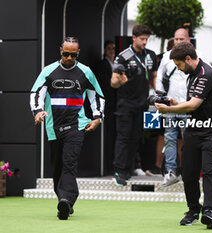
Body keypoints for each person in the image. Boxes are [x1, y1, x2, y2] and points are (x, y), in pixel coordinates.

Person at [30, 37, 105, 220]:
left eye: (73, 54)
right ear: (60, 51)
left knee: (69, 163)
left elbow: (97, 96)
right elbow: (36, 93)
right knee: (57, 168)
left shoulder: (85, 72)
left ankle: (66, 199)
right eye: (66, 54)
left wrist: (97, 118)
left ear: (78, 53)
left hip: (77, 125)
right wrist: (38, 112)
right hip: (53, 127)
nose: (69, 58)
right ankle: (64, 201)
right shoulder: (48, 71)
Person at [155, 42, 212, 229]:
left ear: (188, 59)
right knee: (189, 172)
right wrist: (176, 102)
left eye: (179, 64)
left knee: (210, 172)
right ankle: (193, 209)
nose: (178, 69)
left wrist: (169, 109)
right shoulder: (192, 74)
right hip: (194, 129)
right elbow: (194, 103)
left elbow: (193, 105)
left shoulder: (205, 74)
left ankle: (209, 212)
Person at [110, 25, 157, 186]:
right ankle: (119, 171)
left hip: (142, 104)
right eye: (142, 39)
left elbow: (154, 77)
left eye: (146, 39)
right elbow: (113, 82)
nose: (144, 42)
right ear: (134, 38)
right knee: (123, 137)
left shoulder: (150, 55)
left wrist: (159, 94)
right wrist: (120, 81)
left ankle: (128, 170)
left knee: (135, 138)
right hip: (125, 104)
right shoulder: (123, 56)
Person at [156, 28, 191, 187]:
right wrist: (160, 99)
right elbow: (159, 78)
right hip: (170, 106)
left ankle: (190, 171)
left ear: (188, 40)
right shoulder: (166, 56)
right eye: (176, 39)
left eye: (181, 39)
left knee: (189, 140)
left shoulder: (198, 55)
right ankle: (171, 172)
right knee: (169, 138)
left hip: (188, 106)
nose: (178, 42)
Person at [94, 40, 117, 175]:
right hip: (107, 104)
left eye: (113, 48)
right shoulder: (102, 65)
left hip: (116, 104)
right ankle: (108, 166)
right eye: (109, 48)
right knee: (108, 136)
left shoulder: (117, 64)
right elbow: (105, 85)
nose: (111, 51)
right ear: (104, 50)